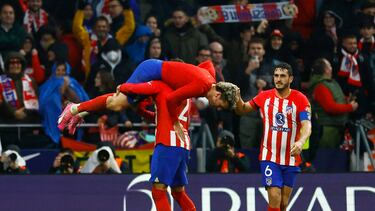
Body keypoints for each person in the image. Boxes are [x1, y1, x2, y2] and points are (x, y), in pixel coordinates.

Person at [58, 59, 239, 141]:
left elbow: (207, 64)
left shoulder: (210, 79)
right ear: (218, 94)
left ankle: (79, 112)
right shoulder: (201, 86)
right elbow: (171, 99)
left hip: (158, 71)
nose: (217, 107)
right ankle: (74, 109)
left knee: (120, 103)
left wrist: (186, 72)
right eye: (220, 104)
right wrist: (175, 123)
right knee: (116, 103)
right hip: (151, 70)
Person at [235, 63, 312, 211]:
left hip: (291, 158)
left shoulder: (300, 99)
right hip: (269, 156)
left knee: (283, 203)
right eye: (276, 75)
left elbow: (307, 125)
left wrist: (301, 141)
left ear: (290, 79)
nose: (278, 79)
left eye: (283, 76)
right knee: (275, 197)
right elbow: (242, 110)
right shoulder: (264, 96)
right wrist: (237, 97)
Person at [119, 80, 196, 211]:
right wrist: (141, 112)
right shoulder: (186, 94)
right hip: (183, 144)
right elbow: (161, 116)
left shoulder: (165, 88)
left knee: (158, 192)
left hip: (167, 143)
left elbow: (137, 90)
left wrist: (123, 88)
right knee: (178, 192)